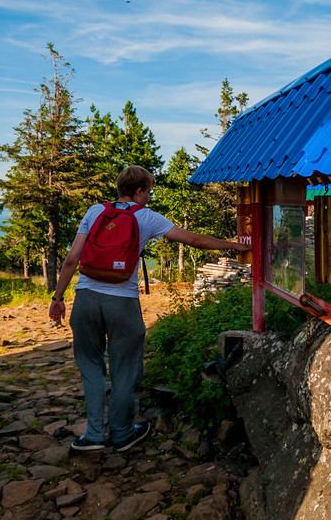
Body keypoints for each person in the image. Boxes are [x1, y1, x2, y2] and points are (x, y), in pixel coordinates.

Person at [49, 165, 245, 452]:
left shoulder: (95, 211)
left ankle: (92, 436)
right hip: (122, 302)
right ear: (139, 190)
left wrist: (57, 297)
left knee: (91, 367)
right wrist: (235, 246)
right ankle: (122, 433)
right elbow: (195, 240)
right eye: (149, 191)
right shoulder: (146, 217)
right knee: (124, 369)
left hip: (85, 299)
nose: (149, 196)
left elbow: (71, 260)